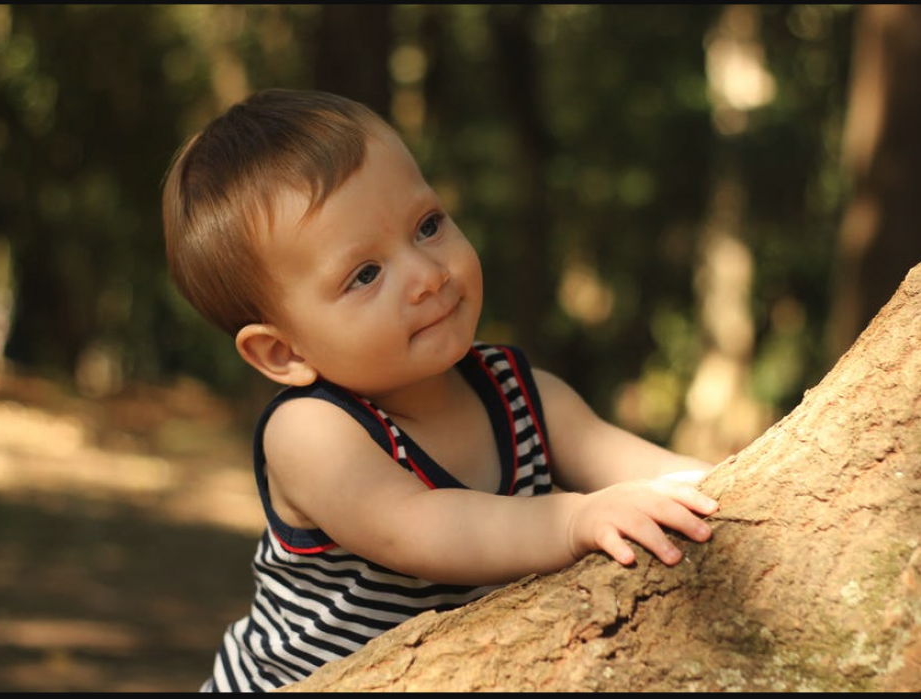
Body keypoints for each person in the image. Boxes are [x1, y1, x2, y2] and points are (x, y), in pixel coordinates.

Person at [161, 88, 719, 692]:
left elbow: (676, 480)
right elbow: (418, 528)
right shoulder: (308, 430)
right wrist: (573, 518)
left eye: (428, 226)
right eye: (365, 274)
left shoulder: (522, 393)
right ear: (284, 352)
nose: (429, 275)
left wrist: (719, 484)